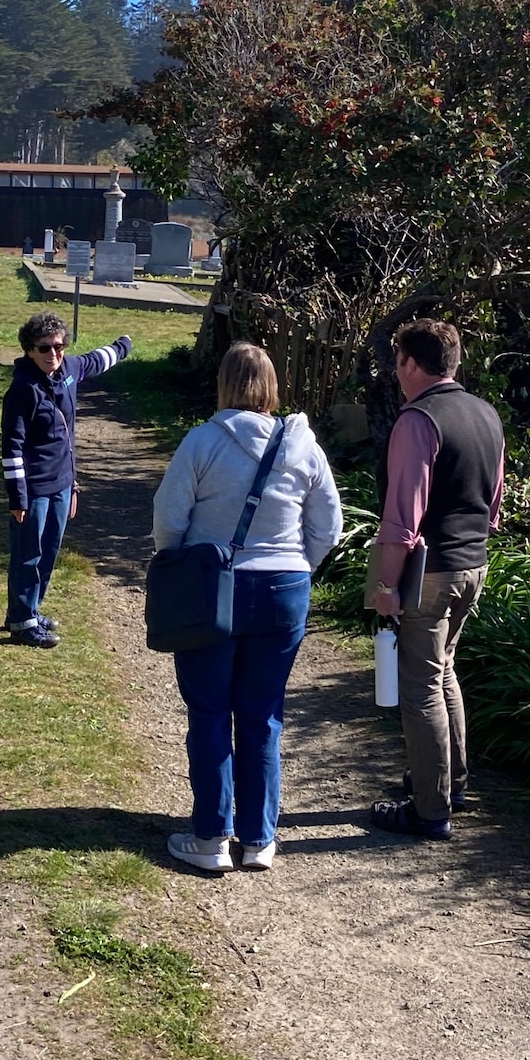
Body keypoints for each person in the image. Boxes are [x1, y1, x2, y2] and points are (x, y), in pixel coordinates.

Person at [152, 341, 343, 871]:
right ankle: (259, 838)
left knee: (210, 710)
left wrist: (182, 563)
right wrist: (296, 563)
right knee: (263, 714)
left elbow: (168, 519)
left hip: (214, 588)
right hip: (284, 589)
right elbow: (329, 525)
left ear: (224, 384)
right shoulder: (302, 444)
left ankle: (213, 836)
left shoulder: (204, 442)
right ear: (273, 386)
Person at [368, 319, 504, 840]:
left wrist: (385, 586)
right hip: (475, 562)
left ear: (409, 363)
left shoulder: (418, 420)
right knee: (444, 671)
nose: (396, 372)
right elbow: (493, 504)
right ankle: (452, 783)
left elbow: (403, 517)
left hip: (430, 569)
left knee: (419, 686)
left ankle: (429, 808)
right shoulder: (485, 413)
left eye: (398, 362)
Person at [1, 311, 131, 647]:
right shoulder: (23, 389)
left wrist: (124, 345)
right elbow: (11, 448)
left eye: (59, 346)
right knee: (28, 553)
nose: (53, 354)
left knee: (49, 551)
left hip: (62, 483)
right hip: (33, 489)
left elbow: (96, 360)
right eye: (44, 348)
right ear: (29, 349)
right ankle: (22, 623)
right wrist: (18, 498)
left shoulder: (69, 370)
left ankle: (27, 609)